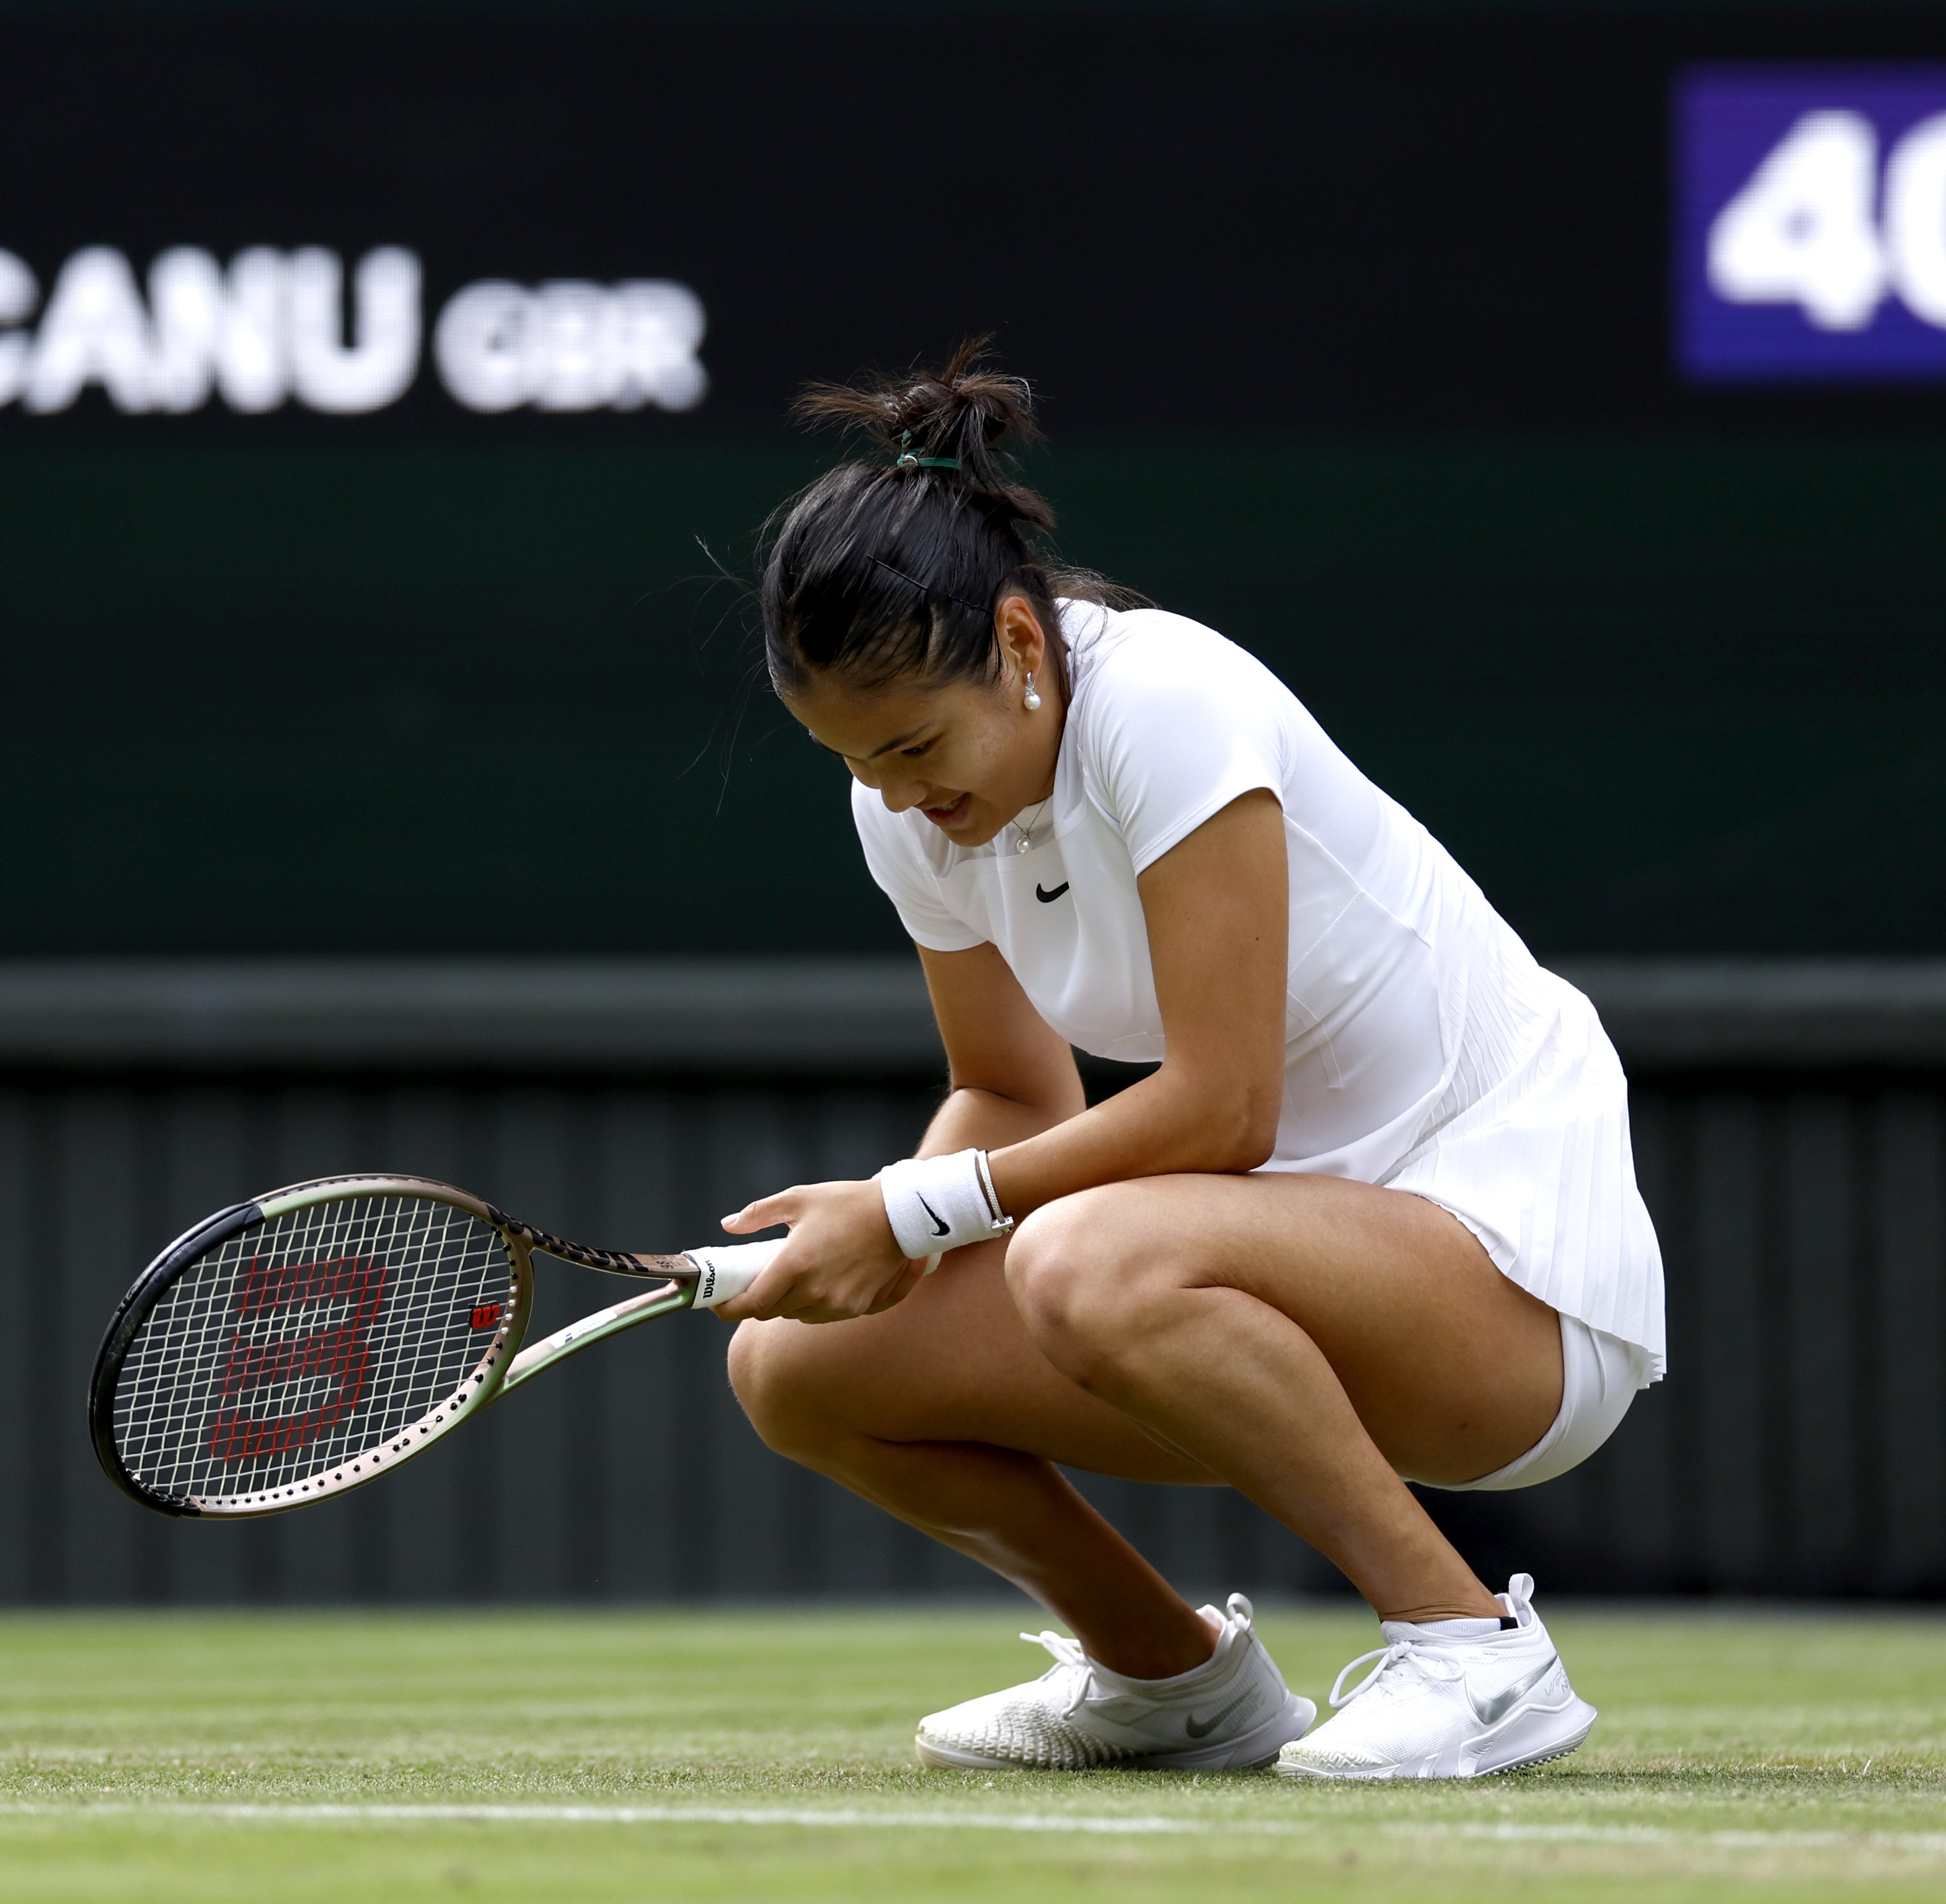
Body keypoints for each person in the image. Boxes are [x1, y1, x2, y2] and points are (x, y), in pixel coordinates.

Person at [712, 346, 1666, 1781]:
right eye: (857, 766)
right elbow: (1012, 1095)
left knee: (1087, 1259)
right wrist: (875, 1240)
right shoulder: (914, 816)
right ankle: (1168, 1683)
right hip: (1262, 1293)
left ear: (1024, 652)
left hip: (1515, 1298)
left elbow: (1223, 1109)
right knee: (794, 1365)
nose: (903, 799)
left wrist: (916, 1213)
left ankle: (1471, 1651)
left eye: (915, 746)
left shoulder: (1166, 698)